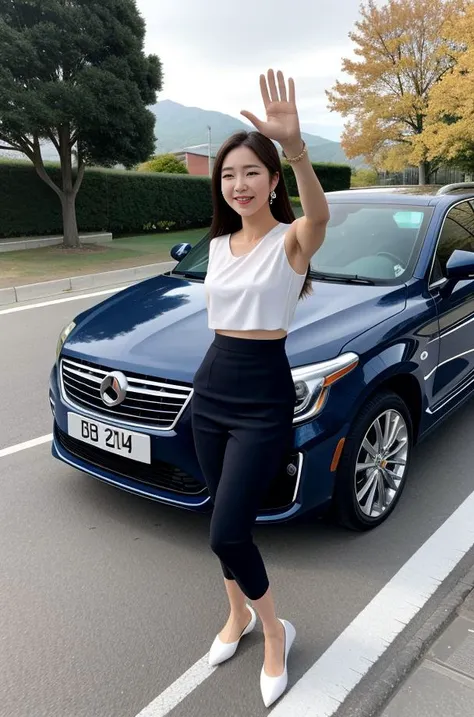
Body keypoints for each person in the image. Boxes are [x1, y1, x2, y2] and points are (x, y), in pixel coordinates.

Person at [191, 68, 330, 707]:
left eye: (250, 172)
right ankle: (238, 614)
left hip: (262, 393)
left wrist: (295, 147)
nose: (238, 184)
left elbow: (319, 214)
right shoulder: (219, 244)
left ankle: (275, 630)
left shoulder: (291, 242)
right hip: (212, 385)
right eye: (228, 175)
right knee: (223, 519)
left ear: (272, 181)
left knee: (228, 532)